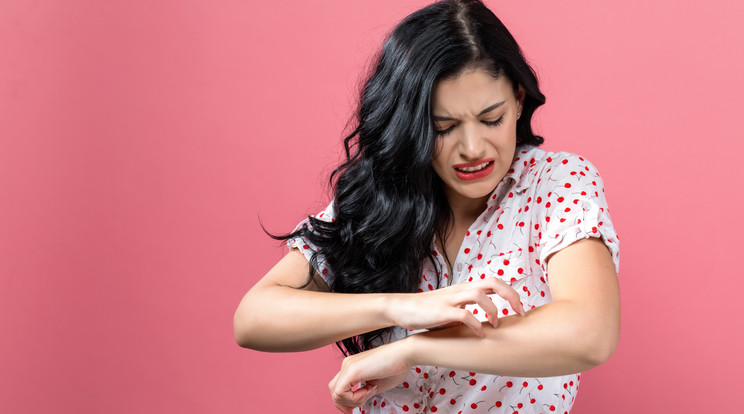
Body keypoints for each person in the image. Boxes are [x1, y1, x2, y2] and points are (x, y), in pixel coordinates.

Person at [233, 0, 620, 412]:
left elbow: (590, 331)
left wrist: (414, 349)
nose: (472, 149)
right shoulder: (380, 198)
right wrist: (404, 306)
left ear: (519, 100)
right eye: (443, 128)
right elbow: (254, 318)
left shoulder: (555, 183)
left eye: (491, 119)